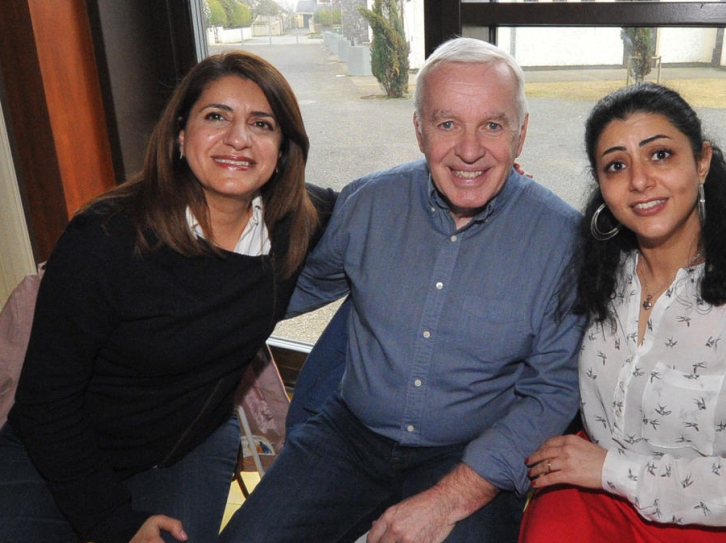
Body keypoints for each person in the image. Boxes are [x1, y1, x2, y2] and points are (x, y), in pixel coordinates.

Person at [0, 51, 334, 543]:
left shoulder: (296, 224)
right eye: (216, 116)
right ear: (180, 135)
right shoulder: (106, 238)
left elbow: (382, 205)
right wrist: (113, 524)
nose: (238, 138)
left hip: (181, 449)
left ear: (282, 150)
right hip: (58, 448)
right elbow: (46, 405)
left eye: (261, 124)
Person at [218, 37, 584, 543]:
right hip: (348, 437)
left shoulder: (561, 240)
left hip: (469, 453)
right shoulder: (369, 204)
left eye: (493, 125)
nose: (470, 150)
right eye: (447, 123)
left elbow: (554, 391)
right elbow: (285, 291)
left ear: (521, 134)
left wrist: (453, 496)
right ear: (418, 129)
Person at [519, 82, 726, 543]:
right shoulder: (602, 273)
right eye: (616, 165)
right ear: (602, 185)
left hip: (714, 523)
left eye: (661, 155)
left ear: (702, 161)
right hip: (594, 499)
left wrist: (613, 470)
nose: (640, 180)